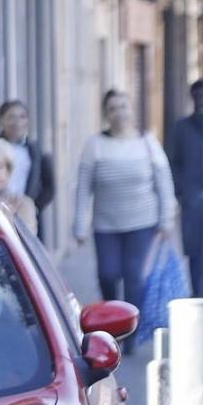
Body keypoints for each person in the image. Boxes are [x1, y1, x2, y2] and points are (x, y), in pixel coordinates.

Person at [74, 89, 176, 306]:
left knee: (134, 277)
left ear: (131, 110)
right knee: (107, 275)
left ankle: (131, 334)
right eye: (112, 109)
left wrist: (167, 220)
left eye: (123, 107)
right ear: (105, 114)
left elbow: (164, 182)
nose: (119, 113)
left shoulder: (147, 142)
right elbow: (83, 186)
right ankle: (112, 319)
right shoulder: (95, 145)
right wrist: (80, 225)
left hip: (142, 223)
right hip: (106, 225)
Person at [164, 78, 203, 295]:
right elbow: (172, 163)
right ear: (192, 98)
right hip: (192, 202)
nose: (202, 100)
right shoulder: (181, 128)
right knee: (196, 255)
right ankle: (199, 296)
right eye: (198, 96)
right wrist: (181, 191)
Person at [0, 100, 55, 225]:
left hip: (26, 214)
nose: (17, 122)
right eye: (11, 117)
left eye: (22, 117)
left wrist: (35, 207)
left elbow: (49, 185)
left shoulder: (36, 150)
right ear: (2, 120)